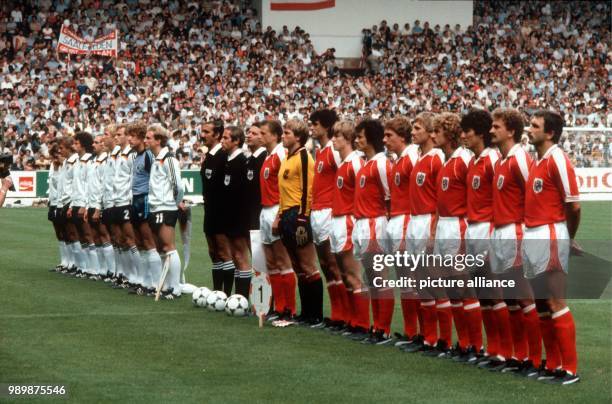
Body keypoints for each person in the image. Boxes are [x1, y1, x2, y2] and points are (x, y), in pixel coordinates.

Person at [524, 110, 581, 385]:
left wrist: (567, 237)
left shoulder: (557, 158)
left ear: (550, 133)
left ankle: (569, 369)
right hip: (532, 234)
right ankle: (553, 364)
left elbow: (574, 204)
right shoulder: (537, 160)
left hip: (550, 233)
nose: (529, 129)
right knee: (541, 304)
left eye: (535, 126)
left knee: (556, 301)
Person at [488, 108, 542, 374]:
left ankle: (534, 358)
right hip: (500, 233)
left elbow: (533, 194)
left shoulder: (520, 157)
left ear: (511, 131)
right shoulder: (501, 160)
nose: (491, 130)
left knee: (523, 297)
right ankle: (517, 356)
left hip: (515, 232)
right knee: (510, 297)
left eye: (496, 127)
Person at [430, 112, 480, 360]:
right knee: (450, 288)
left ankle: (474, 345)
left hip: (457, 227)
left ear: (448, 134)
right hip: (444, 227)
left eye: (437, 131)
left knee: (463, 287)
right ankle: (461, 343)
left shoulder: (463, 161)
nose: (433, 135)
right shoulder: (447, 161)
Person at [459, 109, 501, 364]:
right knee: (482, 293)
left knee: (495, 293)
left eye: (468, 131)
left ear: (481, 134)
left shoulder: (493, 160)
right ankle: (490, 348)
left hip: (488, 229)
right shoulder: (474, 161)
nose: (463, 135)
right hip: (473, 229)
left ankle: (505, 352)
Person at [401, 112, 445, 354]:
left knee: (434, 281)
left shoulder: (437, 159)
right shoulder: (419, 157)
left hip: (429, 220)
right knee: (420, 282)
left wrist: (433, 231)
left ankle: (442, 340)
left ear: (430, 132)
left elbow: (441, 199)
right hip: (415, 222)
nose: (413, 132)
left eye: (417, 128)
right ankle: (427, 338)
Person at [274, 119, 323, 326]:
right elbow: (283, 191)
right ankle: (305, 313)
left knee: (308, 265)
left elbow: (308, 190)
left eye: (287, 133)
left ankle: (316, 315)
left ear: (298, 137)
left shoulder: (304, 157)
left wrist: (303, 219)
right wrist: (278, 216)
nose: (283, 136)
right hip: (286, 214)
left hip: (297, 214)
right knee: (297, 265)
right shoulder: (287, 157)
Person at [352, 119, 393, 344]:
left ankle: (383, 329)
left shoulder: (380, 164)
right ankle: (376, 325)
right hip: (361, 223)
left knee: (380, 276)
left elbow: (390, 197)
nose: (357, 139)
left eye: (361, 136)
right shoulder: (366, 163)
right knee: (370, 277)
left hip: (374, 223)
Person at [382, 116, 420, 347]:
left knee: (414, 279)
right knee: (405, 279)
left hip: (408, 221)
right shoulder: (399, 160)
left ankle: (420, 333)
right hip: (397, 221)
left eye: (390, 136)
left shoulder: (412, 158)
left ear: (402, 137)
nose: (385, 140)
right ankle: (410, 331)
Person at [309, 109, 347, 328]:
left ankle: (343, 316)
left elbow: (343, 179)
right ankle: (336, 315)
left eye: (315, 124)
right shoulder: (321, 150)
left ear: (326, 125)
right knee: (325, 265)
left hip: (329, 213)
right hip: (317, 212)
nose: (312, 127)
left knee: (333, 265)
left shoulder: (333, 150)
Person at [329, 120, 367, 335]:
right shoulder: (343, 163)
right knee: (343, 274)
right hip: (337, 221)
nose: (333, 139)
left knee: (353, 274)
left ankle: (361, 324)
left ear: (348, 139)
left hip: (348, 221)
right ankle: (350, 320)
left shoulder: (355, 163)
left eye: (338, 136)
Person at [259, 120, 296, 321]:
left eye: (264, 133)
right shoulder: (268, 155)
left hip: (275, 209)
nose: (260, 136)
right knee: (271, 262)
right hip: (265, 209)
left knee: (283, 261)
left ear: (274, 135)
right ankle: (278, 306)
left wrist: (280, 215)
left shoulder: (282, 154)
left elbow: (287, 186)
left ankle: (289, 309)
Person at [145, 124, 185, 299]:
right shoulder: (155, 159)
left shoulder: (169, 159)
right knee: (161, 248)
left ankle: (175, 288)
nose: (146, 140)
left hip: (165, 207)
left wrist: (173, 203)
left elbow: (178, 186)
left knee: (169, 248)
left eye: (149, 137)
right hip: (155, 207)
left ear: (158, 140)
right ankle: (166, 284)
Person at [127, 122, 162, 296]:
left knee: (148, 241)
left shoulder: (148, 155)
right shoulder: (135, 156)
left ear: (141, 137)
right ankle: (144, 281)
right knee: (139, 242)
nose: (129, 139)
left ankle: (155, 283)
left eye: (132, 136)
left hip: (145, 199)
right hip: (135, 199)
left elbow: (153, 179)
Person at [200, 120, 233, 292]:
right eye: (202, 131)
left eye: (206, 132)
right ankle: (217, 292)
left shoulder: (223, 155)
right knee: (213, 252)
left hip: (221, 212)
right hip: (209, 211)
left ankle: (227, 295)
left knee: (224, 252)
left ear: (217, 134)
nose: (202, 135)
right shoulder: (210, 156)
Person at [219, 126, 252, 298]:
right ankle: (239, 297)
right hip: (229, 216)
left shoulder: (242, 160)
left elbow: (245, 193)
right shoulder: (228, 159)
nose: (222, 140)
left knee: (241, 257)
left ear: (236, 141)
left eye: (225, 138)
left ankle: (243, 299)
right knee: (235, 256)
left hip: (239, 217)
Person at [87, 134, 115, 281]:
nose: (94, 145)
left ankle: (111, 270)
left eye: (97, 142)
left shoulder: (105, 161)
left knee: (105, 237)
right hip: (91, 203)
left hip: (101, 204)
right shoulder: (94, 161)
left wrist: (98, 206)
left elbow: (103, 186)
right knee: (96, 237)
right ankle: (102, 269)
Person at [244, 123, 267, 232]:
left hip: (261, 213)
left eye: (254, 133)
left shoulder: (265, 158)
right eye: (248, 132)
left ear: (261, 137)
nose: (248, 135)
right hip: (249, 212)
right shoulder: (249, 159)